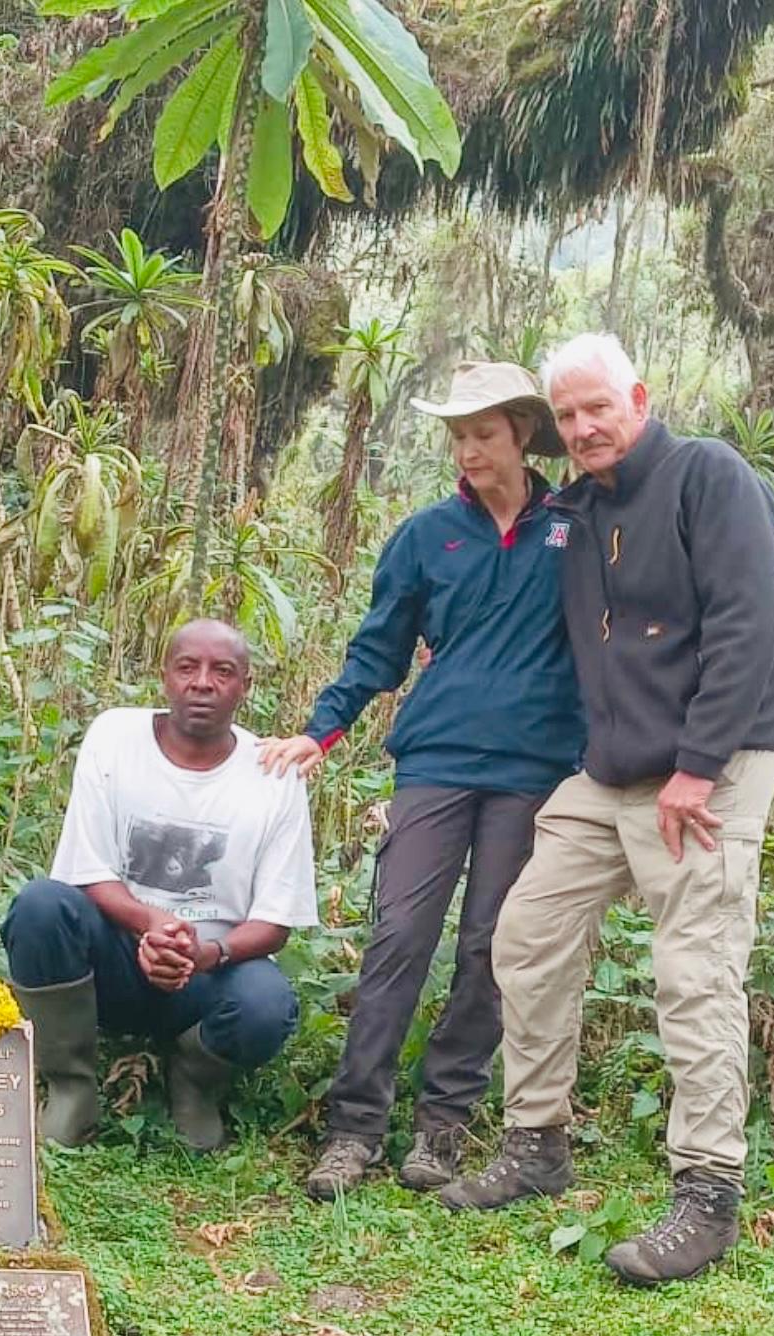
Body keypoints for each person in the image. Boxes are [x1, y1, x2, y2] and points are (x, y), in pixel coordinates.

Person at [437, 333, 774, 1284]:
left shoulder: (707, 477)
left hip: (709, 767)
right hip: (609, 771)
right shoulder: (580, 509)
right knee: (526, 933)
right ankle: (536, 1142)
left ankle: (707, 1191)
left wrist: (698, 763)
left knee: (694, 970)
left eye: (599, 407)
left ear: (639, 397)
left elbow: (749, 627)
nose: (586, 427)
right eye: (568, 415)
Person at [260, 360, 584, 1201]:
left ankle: (442, 1126)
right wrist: (321, 730)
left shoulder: (579, 528)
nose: (468, 451)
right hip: (436, 761)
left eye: (483, 434)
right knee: (399, 935)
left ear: (521, 430)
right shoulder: (425, 536)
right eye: (457, 436)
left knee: (490, 947)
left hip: (535, 772)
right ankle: (355, 1127)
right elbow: (380, 648)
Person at [1, 620, 316, 1153]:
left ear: (246, 686)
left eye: (223, 672)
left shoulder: (273, 775)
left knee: (268, 1003)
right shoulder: (114, 737)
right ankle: (71, 1084)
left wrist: (206, 953)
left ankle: (193, 1080)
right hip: (115, 958)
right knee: (40, 906)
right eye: (188, 667)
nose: (203, 683)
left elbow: (274, 922)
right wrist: (153, 926)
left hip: (207, 975)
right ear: (164, 675)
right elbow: (86, 870)